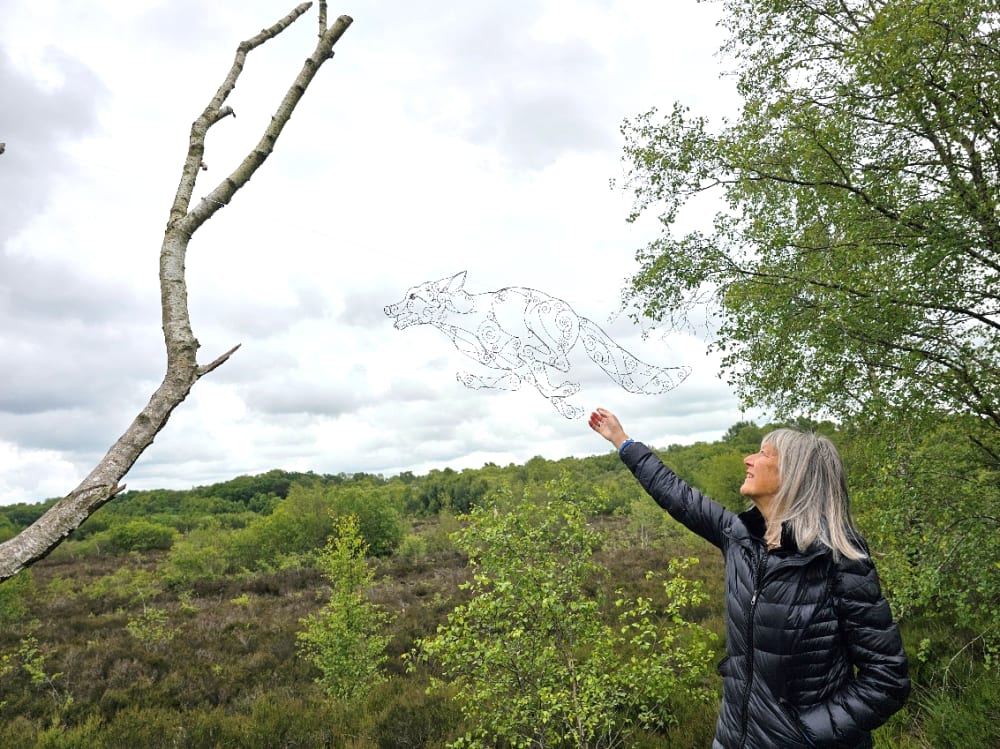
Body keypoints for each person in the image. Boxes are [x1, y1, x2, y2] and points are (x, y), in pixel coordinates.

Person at [589, 407, 909, 749]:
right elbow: (677, 495)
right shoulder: (740, 537)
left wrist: (806, 734)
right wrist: (622, 441)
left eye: (762, 453)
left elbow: (886, 680)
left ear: (793, 474)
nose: (748, 459)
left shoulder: (837, 560)